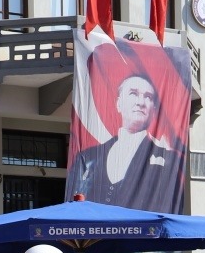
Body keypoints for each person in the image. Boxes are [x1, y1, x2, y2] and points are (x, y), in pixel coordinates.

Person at [67, 72, 185, 211]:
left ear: (153, 111)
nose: (140, 102)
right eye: (133, 94)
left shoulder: (168, 160)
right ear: (118, 104)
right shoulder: (87, 158)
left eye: (148, 97)